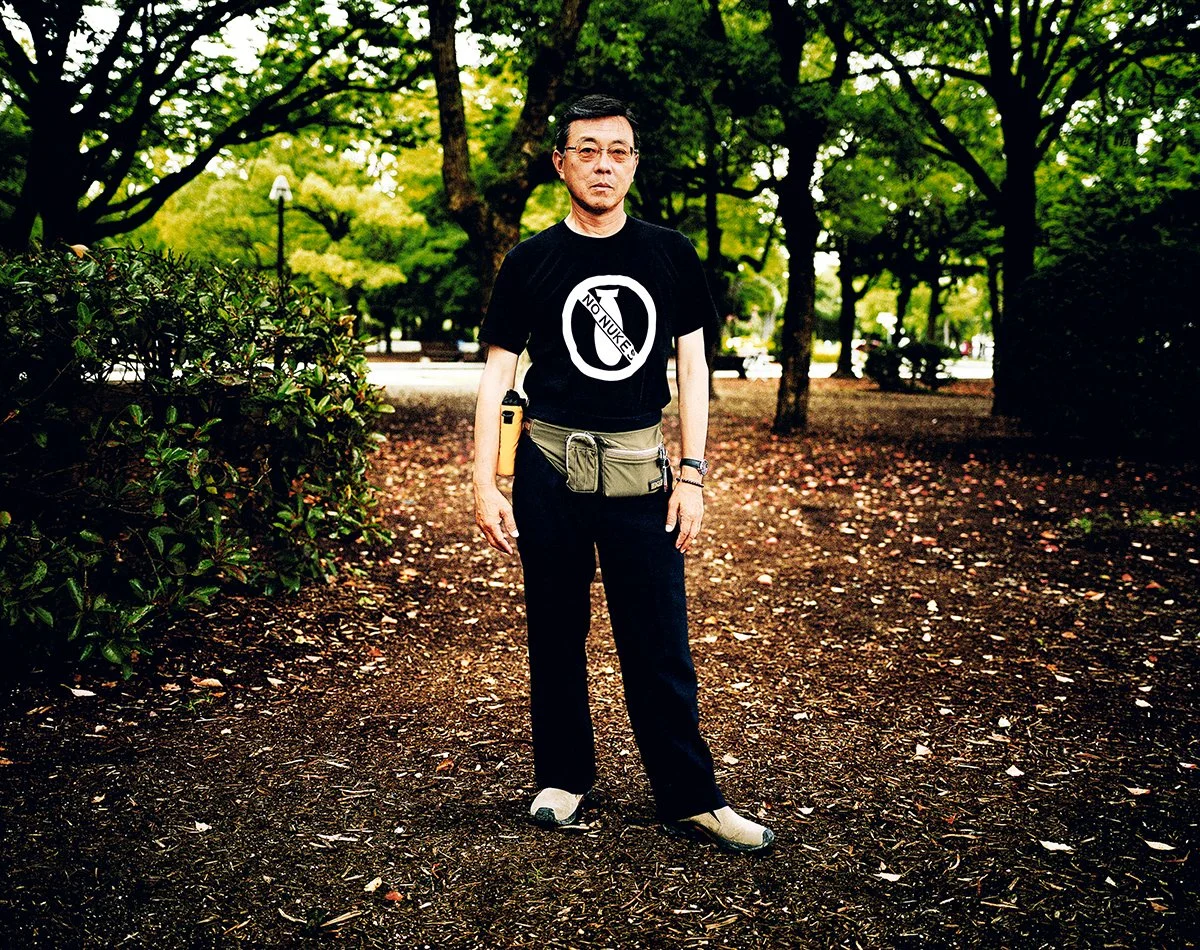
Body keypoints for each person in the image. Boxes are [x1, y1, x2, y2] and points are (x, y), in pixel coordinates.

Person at [472, 94, 774, 854]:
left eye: (618, 151)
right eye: (587, 150)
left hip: (643, 471)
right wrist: (484, 481)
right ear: (560, 163)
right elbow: (497, 375)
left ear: (634, 164)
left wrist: (694, 475)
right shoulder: (530, 261)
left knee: (659, 638)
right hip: (548, 469)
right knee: (555, 631)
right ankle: (563, 778)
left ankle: (690, 797)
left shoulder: (669, 253)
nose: (602, 165)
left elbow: (694, 368)